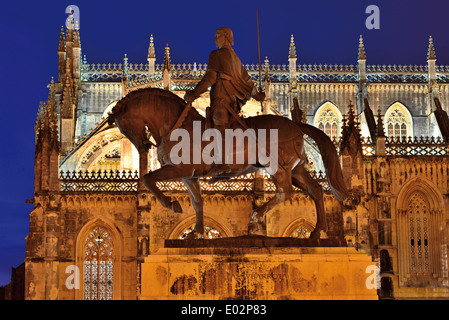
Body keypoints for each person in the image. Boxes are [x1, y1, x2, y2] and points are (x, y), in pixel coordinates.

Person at [184, 27, 265, 176]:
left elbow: (210, 78)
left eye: (217, 36)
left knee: (219, 122)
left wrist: (194, 93)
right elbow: (247, 81)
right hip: (231, 101)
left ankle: (223, 163)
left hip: (221, 99)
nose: (214, 39)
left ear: (226, 37)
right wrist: (258, 96)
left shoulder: (217, 54)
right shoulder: (235, 58)